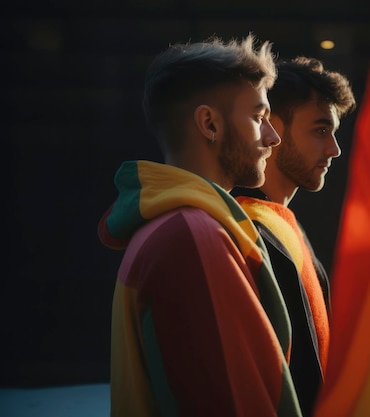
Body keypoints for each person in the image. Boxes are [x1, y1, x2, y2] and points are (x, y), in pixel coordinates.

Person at [97, 35, 303, 417]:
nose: (273, 137)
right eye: (259, 118)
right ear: (209, 123)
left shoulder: (171, 226)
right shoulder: (193, 238)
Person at [231, 56, 356, 416]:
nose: (334, 149)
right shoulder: (248, 231)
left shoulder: (282, 225)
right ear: (270, 126)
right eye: (320, 130)